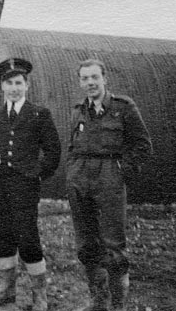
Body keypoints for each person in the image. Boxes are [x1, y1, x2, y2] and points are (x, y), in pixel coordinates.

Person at [67, 59, 152, 311]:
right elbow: (72, 146)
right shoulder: (77, 110)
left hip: (109, 181)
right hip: (80, 181)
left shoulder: (123, 108)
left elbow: (142, 146)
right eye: (85, 78)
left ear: (104, 78)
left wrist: (120, 171)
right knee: (86, 244)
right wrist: (72, 173)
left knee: (113, 247)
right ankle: (99, 302)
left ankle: (118, 306)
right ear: (80, 81)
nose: (90, 83)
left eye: (95, 77)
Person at [0, 58, 61, 311]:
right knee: (3, 236)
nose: (14, 87)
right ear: (1, 87)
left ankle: (39, 295)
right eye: (9, 83)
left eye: (18, 82)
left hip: (25, 187)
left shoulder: (39, 114)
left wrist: (37, 174)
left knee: (27, 238)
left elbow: (53, 152)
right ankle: (7, 289)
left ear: (26, 85)